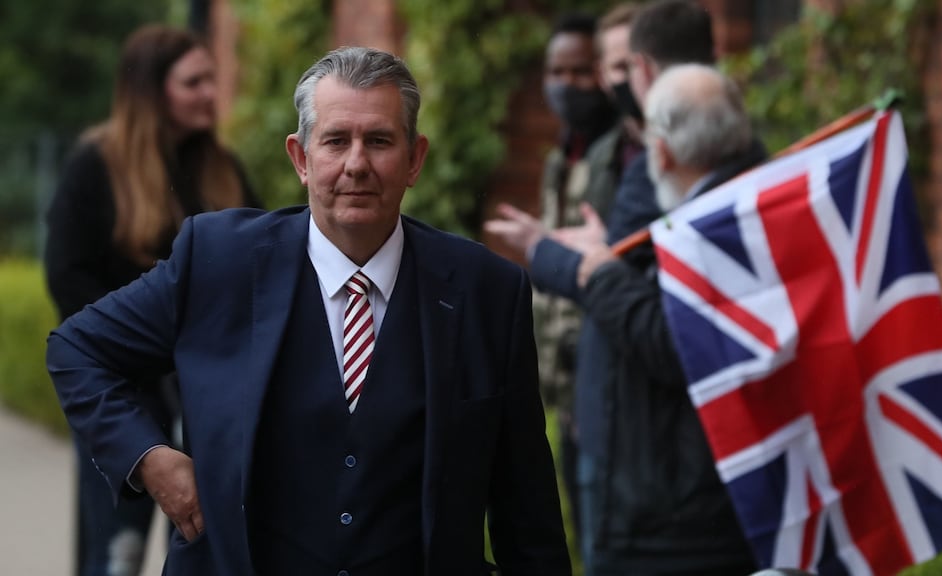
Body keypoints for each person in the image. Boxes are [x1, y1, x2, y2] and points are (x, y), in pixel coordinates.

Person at [47, 46, 571, 575]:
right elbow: (77, 349)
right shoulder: (218, 261)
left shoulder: (486, 291)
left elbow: (527, 510)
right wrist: (150, 458)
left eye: (380, 141)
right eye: (336, 140)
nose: (356, 164)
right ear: (301, 158)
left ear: (415, 159)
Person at [44, 24, 260, 576]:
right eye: (194, 82)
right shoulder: (96, 166)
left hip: (207, 395)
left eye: (211, 79)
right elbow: (67, 277)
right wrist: (148, 346)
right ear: (151, 91)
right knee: (118, 554)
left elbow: (262, 271)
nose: (211, 93)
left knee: (208, 547)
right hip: (125, 393)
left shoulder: (222, 170)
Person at [556, 63, 766, 575]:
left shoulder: (717, 225)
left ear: (663, 153)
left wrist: (600, 273)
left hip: (682, 520)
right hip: (707, 505)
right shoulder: (755, 203)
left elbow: (674, 343)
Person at [533, 13, 618, 543]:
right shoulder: (559, 158)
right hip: (563, 385)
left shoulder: (618, 162)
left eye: (580, 72)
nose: (566, 85)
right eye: (556, 72)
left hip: (604, 382)